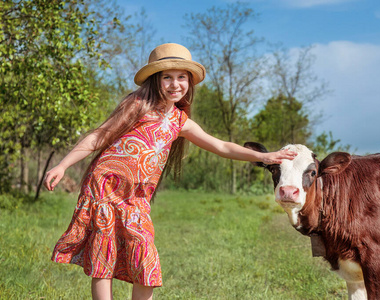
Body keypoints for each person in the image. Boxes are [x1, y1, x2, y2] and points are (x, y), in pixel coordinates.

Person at [44, 43, 296, 300]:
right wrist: (63, 165)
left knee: (145, 258)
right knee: (104, 256)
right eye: (167, 77)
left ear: (189, 83)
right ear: (156, 80)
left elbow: (221, 145)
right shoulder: (138, 104)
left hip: (136, 199)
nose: (175, 84)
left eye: (181, 78)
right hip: (104, 188)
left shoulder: (179, 121)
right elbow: (101, 135)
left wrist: (264, 156)